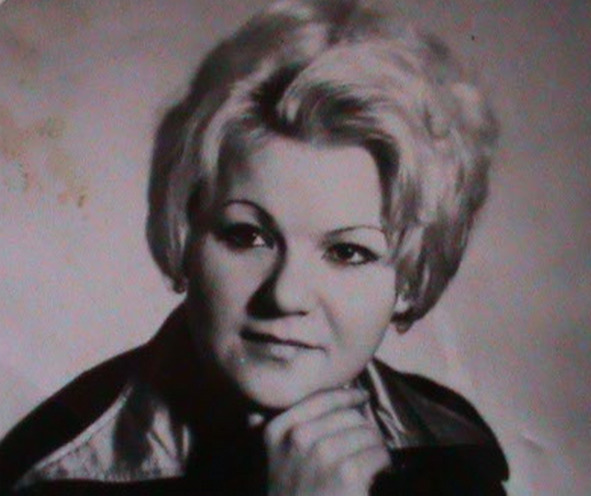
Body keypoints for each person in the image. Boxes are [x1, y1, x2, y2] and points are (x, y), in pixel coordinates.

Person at [0, 0, 509, 494]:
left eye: (347, 252)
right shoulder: (56, 474)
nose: (285, 295)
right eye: (247, 236)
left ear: (410, 281)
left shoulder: (452, 449)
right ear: (186, 235)